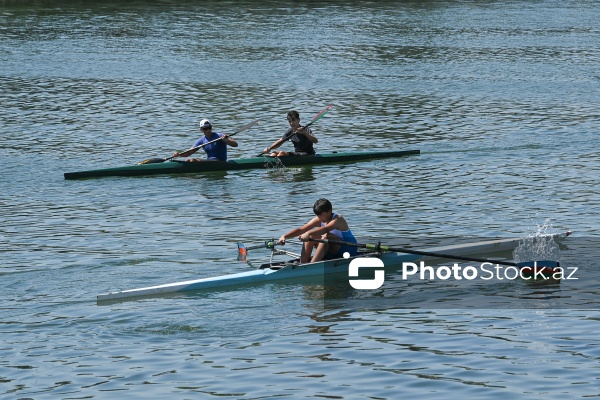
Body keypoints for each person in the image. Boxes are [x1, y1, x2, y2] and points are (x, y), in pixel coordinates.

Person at [277, 198, 358, 263]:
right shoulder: (320, 219)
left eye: (322, 215)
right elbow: (301, 229)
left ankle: (312, 265)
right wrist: (285, 236)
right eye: (318, 216)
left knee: (326, 236)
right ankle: (303, 264)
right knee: (311, 236)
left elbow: (325, 229)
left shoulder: (338, 219)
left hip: (349, 250)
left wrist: (308, 233)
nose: (320, 218)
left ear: (329, 211)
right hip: (333, 250)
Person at [172, 119, 238, 162]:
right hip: (210, 162)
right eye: (205, 129)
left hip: (220, 162)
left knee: (194, 160)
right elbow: (189, 152)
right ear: (201, 130)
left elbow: (235, 144)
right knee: (188, 161)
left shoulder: (220, 136)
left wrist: (227, 141)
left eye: (209, 128)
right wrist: (179, 154)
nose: (208, 130)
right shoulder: (201, 140)